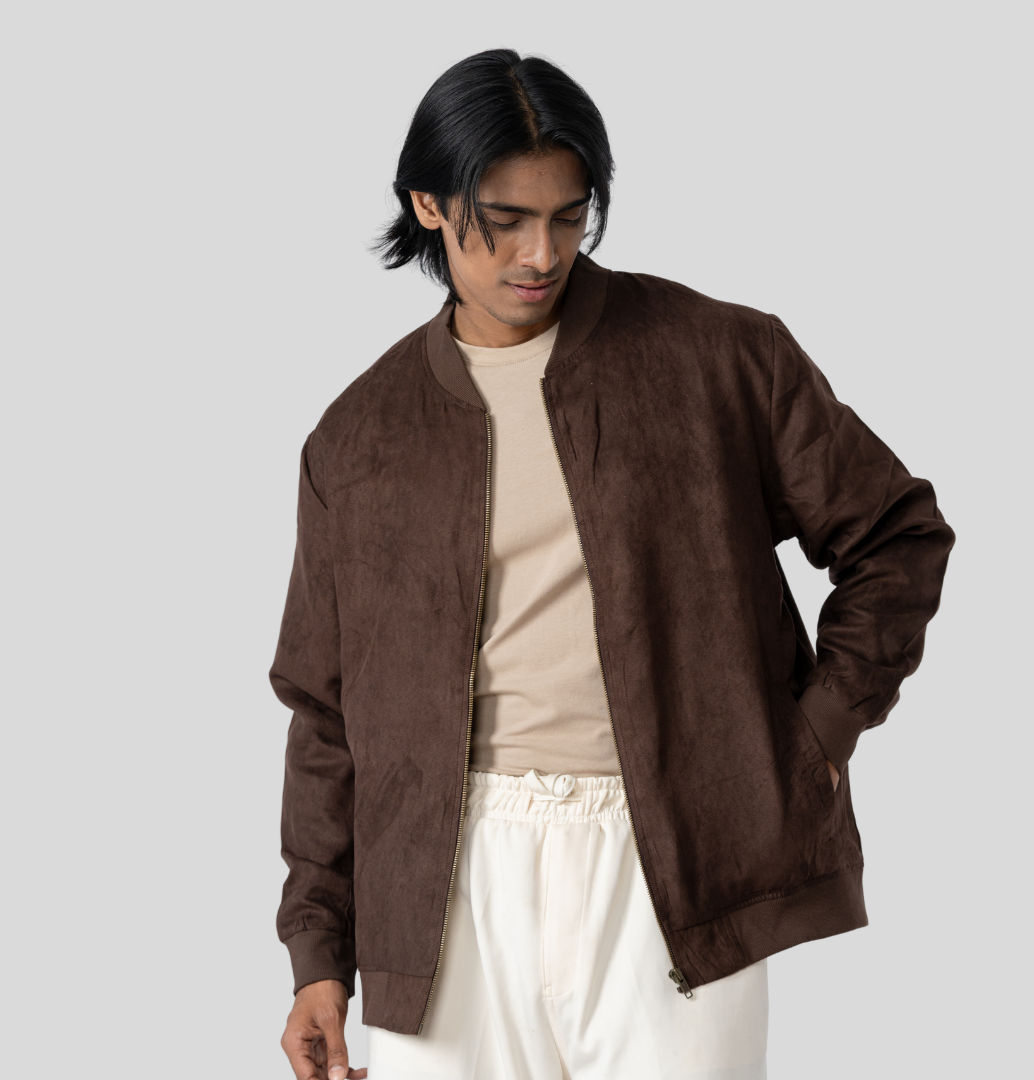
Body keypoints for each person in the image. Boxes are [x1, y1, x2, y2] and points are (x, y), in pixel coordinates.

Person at [273, 48, 954, 1080]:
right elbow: (324, 713)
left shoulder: (718, 356)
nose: (540, 253)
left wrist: (816, 732)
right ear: (428, 204)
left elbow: (896, 534)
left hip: (672, 859)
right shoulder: (359, 437)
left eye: (569, 215)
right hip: (445, 885)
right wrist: (318, 955)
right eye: (505, 220)